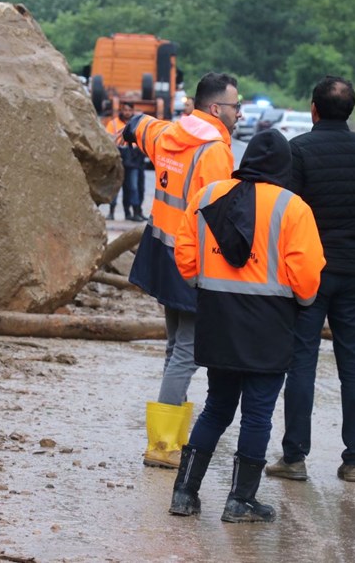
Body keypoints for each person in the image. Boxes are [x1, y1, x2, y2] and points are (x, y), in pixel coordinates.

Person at [169, 129, 324, 522]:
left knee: (217, 407)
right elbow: (306, 278)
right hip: (269, 325)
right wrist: (301, 301)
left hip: (218, 317)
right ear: (284, 166)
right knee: (257, 414)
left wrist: (203, 284)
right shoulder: (294, 208)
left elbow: (185, 256)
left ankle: (184, 494)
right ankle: (240, 502)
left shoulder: (206, 197)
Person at [265, 75, 355, 484]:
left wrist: (283, 270)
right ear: (350, 110)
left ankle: (294, 457)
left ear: (313, 109)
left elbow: (286, 215)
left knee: (301, 361)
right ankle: (354, 459)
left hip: (310, 275)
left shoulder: (299, 151)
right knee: (352, 364)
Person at [122, 72, 239, 468]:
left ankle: (169, 438)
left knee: (176, 347)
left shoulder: (171, 134)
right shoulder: (215, 152)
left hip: (162, 252)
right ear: (216, 108)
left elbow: (144, 129)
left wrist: (130, 125)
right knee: (187, 351)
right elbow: (220, 215)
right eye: (235, 106)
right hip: (192, 260)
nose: (239, 113)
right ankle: (164, 445)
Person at [105, 103, 147, 221]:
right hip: (118, 158)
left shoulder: (137, 124)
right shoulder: (113, 123)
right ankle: (111, 212)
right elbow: (108, 139)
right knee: (116, 187)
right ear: (121, 110)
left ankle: (134, 212)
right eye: (125, 110)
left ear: (132, 111)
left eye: (129, 110)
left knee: (133, 187)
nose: (127, 112)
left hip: (133, 160)